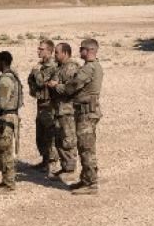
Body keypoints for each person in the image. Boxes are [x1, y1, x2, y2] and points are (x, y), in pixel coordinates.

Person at [49, 38, 103, 194]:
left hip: (87, 113)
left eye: (82, 49)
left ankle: (91, 184)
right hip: (87, 112)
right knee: (84, 146)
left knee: (86, 149)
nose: (79, 51)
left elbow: (71, 88)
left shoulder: (88, 69)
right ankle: (86, 179)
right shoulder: (95, 66)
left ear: (89, 50)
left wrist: (57, 86)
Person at [0, 50, 23, 192]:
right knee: (7, 150)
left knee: (4, 151)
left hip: (5, 118)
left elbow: (2, 104)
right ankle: (7, 181)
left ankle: (8, 183)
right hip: (11, 116)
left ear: (2, 62)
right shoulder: (14, 76)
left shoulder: (4, 80)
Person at [27, 39, 58, 176]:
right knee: (40, 134)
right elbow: (31, 81)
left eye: (41, 49)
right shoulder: (41, 65)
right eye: (38, 48)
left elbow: (40, 82)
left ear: (49, 51)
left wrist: (36, 71)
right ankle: (45, 161)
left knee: (50, 135)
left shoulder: (52, 66)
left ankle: (52, 164)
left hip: (49, 104)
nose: (38, 51)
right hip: (41, 102)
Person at [48, 42, 78, 180]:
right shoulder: (60, 68)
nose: (54, 55)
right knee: (59, 139)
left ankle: (70, 170)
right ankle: (65, 167)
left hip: (67, 110)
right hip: (59, 109)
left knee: (68, 140)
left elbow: (71, 89)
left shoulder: (71, 68)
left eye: (57, 52)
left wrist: (56, 86)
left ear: (65, 53)